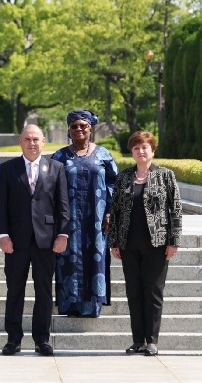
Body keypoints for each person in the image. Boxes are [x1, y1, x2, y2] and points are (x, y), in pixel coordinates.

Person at [0, 125, 69, 356]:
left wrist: (63, 234)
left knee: (44, 292)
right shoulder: (8, 169)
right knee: (14, 291)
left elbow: (63, 206)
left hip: (46, 241)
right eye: (27, 139)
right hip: (16, 242)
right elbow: (2, 206)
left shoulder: (56, 168)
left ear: (44, 141)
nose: (32, 143)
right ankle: (13, 339)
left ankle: (42, 339)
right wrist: (3, 235)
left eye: (36, 139)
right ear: (20, 141)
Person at [109, 131, 182, 356]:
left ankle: (152, 341)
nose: (141, 151)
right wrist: (114, 241)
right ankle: (137, 340)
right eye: (136, 148)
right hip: (129, 243)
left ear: (152, 151)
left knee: (153, 292)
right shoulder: (123, 178)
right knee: (134, 292)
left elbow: (176, 209)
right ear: (132, 152)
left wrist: (174, 241)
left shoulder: (166, 176)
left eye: (145, 147)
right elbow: (116, 211)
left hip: (157, 243)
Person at [51, 110, 118, 317]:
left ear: (90, 128)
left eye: (83, 126)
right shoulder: (60, 156)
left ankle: (92, 306)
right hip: (68, 221)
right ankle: (69, 305)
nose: (79, 129)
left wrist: (110, 213)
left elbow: (114, 185)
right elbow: (51, 189)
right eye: (74, 126)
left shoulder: (103, 154)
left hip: (96, 221)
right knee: (68, 260)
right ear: (69, 131)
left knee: (94, 259)